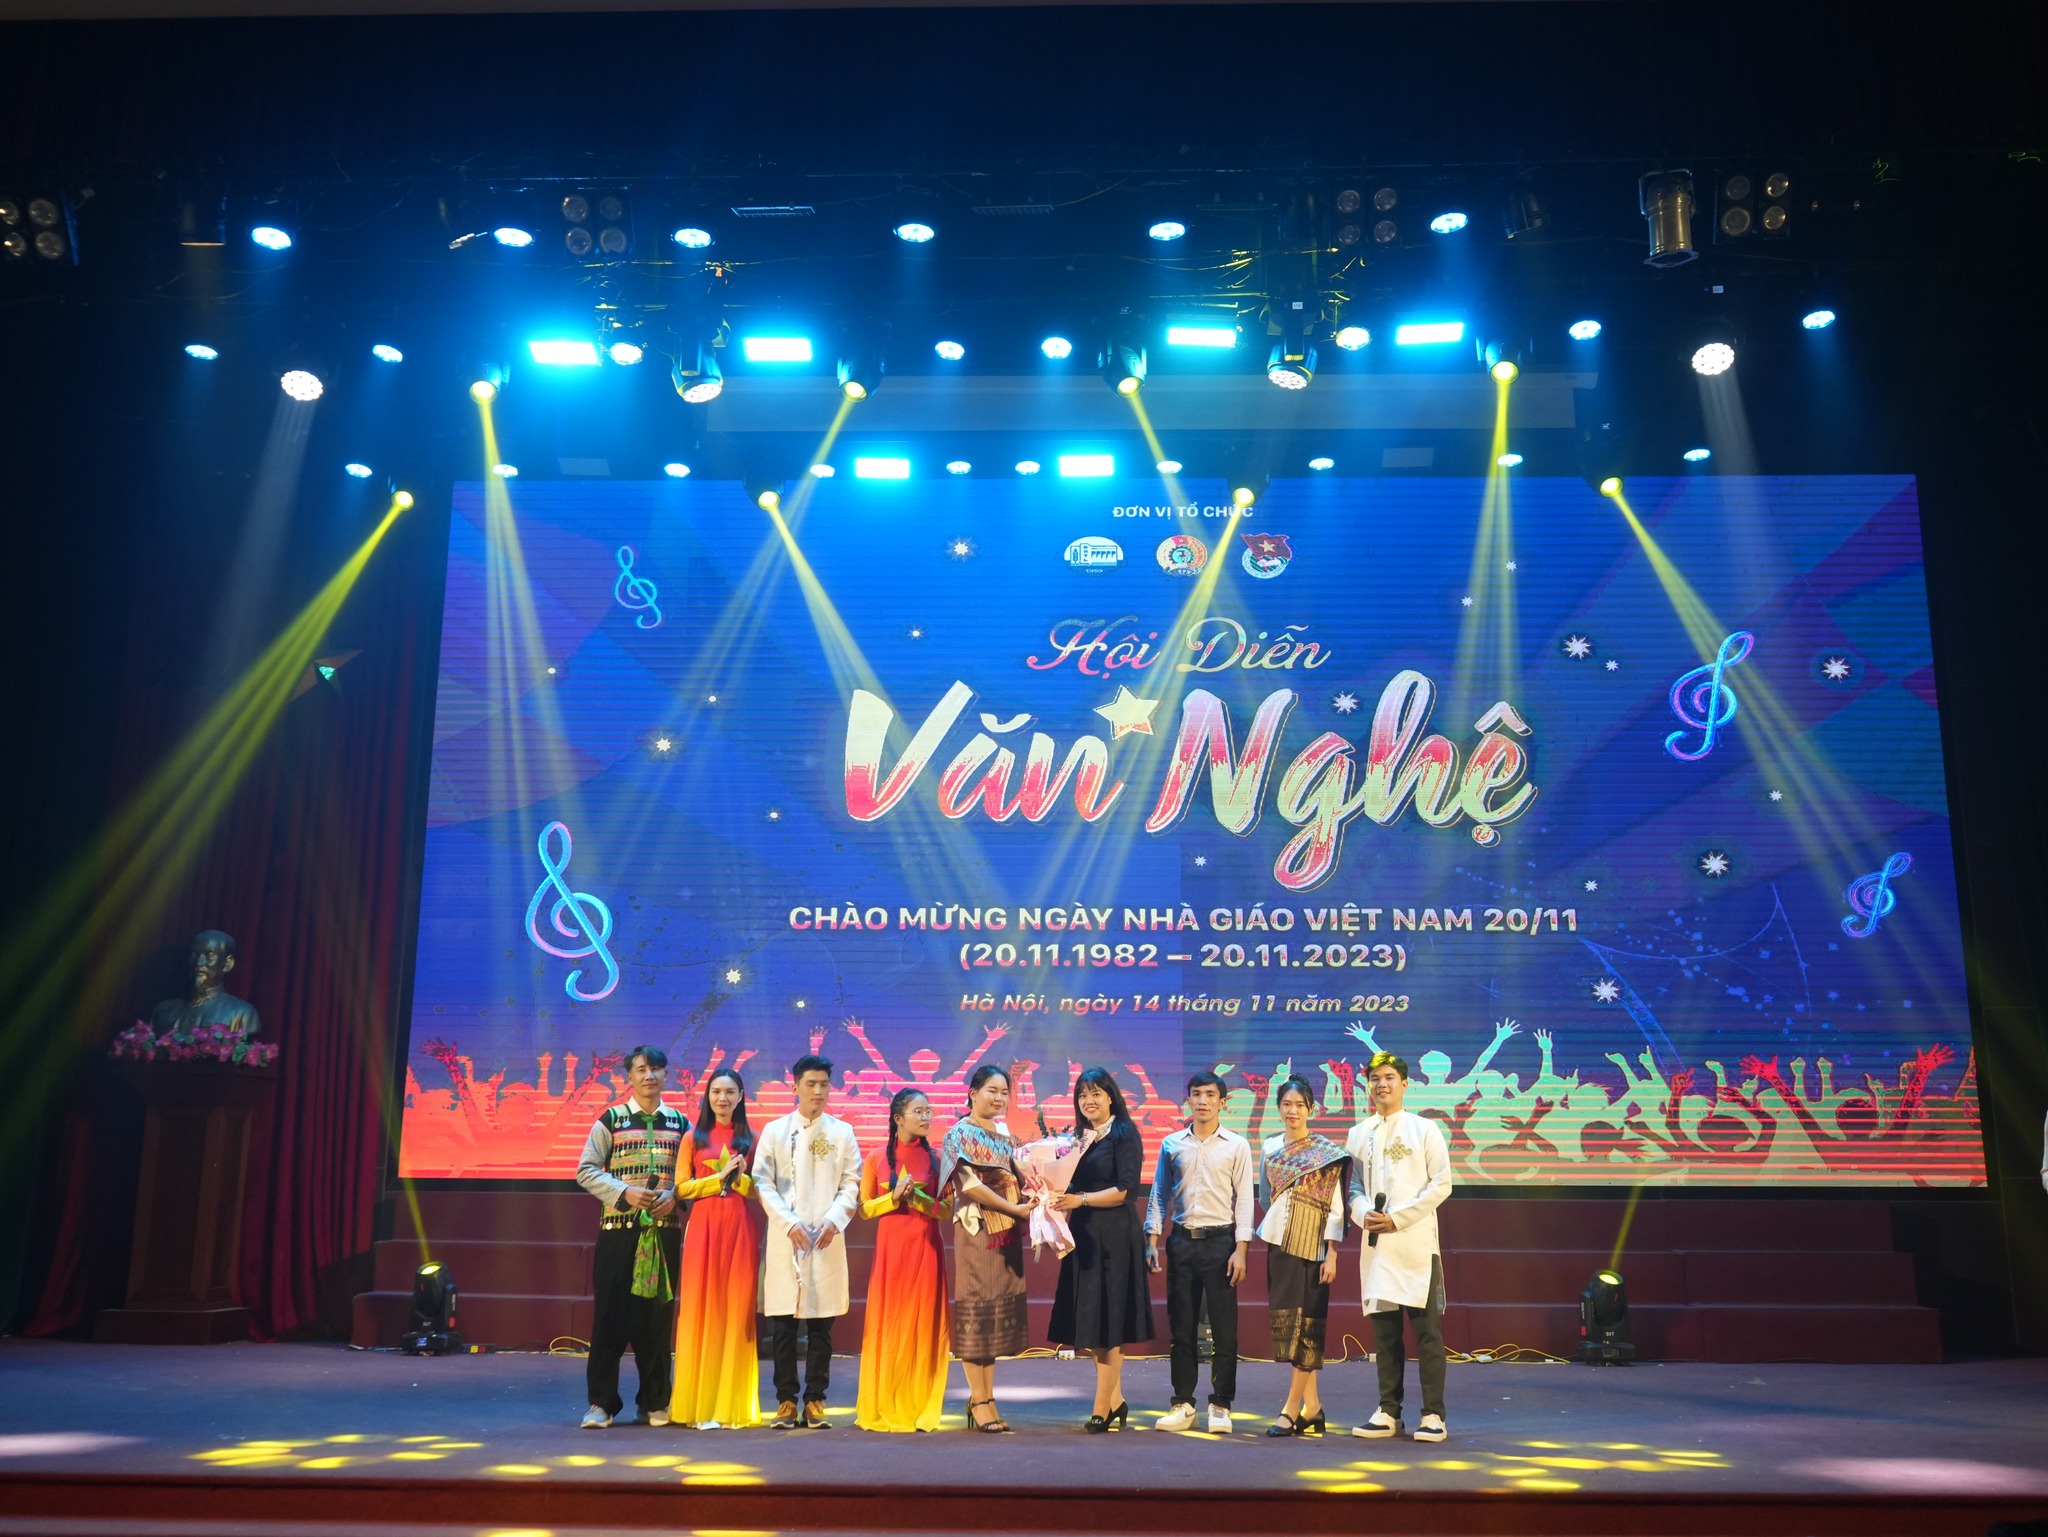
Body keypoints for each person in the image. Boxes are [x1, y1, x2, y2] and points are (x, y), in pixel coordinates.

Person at [574, 1044, 687, 1429]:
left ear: (666, 1074)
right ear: (629, 1076)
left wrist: (675, 1196)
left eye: (656, 1069)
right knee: (610, 1317)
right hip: (619, 1234)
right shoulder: (611, 1120)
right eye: (641, 1069)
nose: (649, 1075)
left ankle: (654, 1401)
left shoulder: (682, 1124)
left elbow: (690, 1176)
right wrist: (625, 1192)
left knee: (657, 1320)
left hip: (664, 1234)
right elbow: (586, 1170)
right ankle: (601, 1404)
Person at [1346, 1050, 1453, 1443]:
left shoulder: (1425, 1129)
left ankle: (1433, 1414)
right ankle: (1388, 1411)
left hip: (1416, 1246)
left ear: (1405, 1084)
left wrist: (1398, 1218)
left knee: (1427, 1335)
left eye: (1389, 1077)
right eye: (1375, 1079)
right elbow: (1354, 1187)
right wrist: (1364, 1214)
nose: (1382, 1085)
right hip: (1377, 1246)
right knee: (1385, 1335)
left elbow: (1442, 1184)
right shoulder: (1359, 1133)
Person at [754, 1054, 862, 1429]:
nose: (818, 1091)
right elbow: (762, 1181)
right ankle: (786, 1401)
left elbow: (851, 1183)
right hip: (786, 1238)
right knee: (783, 1326)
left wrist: (835, 1219)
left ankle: (816, 1399)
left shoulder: (842, 1132)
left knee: (821, 1327)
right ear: (795, 1086)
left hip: (825, 1238)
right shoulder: (775, 1131)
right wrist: (788, 1223)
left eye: (824, 1084)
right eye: (811, 1084)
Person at [1145, 1069, 1255, 1435]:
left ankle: (1221, 1404)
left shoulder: (1237, 1145)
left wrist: (1241, 1249)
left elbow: (1244, 1200)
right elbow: (1159, 1194)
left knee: (1224, 1330)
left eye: (1210, 1095)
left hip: (1221, 1243)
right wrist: (1152, 1240)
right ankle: (1183, 1403)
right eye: (1197, 1094)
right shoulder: (1172, 1144)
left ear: (1223, 1102)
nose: (1203, 1101)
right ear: (1188, 1100)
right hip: (1181, 1242)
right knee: (1182, 1328)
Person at [1047, 1066, 1154, 1431]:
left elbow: (1125, 1190)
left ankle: (1101, 1408)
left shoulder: (1124, 1134)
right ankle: (1116, 1400)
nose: (1088, 1100)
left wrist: (1080, 1199)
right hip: (1084, 1236)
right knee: (1093, 1322)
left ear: (1110, 1096)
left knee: (1110, 1324)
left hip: (1115, 1237)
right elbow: (1067, 1180)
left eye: (1095, 1093)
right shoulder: (1079, 1138)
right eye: (1082, 1095)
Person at [937, 1064, 1039, 1432]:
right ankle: (978, 1400)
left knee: (995, 1314)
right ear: (973, 1093)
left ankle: (988, 1396)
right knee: (977, 1311)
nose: (998, 1098)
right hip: (977, 1231)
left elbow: (1019, 1176)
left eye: (1004, 1092)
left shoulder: (1005, 1135)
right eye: (991, 1091)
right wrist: (1014, 1210)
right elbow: (970, 1186)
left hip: (1006, 1234)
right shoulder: (958, 1134)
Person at [668, 1068, 762, 1429]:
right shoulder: (693, 1138)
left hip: (739, 1229)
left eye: (729, 1092)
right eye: (716, 1092)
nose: (722, 1098)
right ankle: (696, 1403)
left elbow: (759, 1192)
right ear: (707, 1097)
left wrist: (740, 1179)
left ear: (741, 1096)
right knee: (700, 1309)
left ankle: (730, 1405)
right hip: (703, 1229)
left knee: (735, 1309)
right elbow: (681, 1188)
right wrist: (716, 1180)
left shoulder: (753, 1138)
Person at [854, 1087, 952, 1432]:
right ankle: (884, 1401)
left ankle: (920, 1403)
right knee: (890, 1323)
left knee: (923, 1324)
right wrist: (893, 1199)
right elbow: (865, 1209)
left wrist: (918, 1201)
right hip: (891, 1253)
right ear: (898, 1118)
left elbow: (946, 1210)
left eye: (928, 1111)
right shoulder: (875, 1158)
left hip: (925, 1249)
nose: (926, 1117)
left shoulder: (938, 1159)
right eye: (918, 1112)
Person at [1258, 1074, 1348, 1437]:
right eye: (1286, 1104)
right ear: (1278, 1108)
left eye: (1299, 1105)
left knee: (1308, 1328)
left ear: (1312, 1109)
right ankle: (1313, 1408)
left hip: (1314, 1248)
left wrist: (1332, 1254)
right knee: (1289, 1326)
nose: (1292, 1111)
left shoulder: (1326, 1153)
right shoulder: (1269, 1147)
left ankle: (1290, 1409)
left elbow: (1337, 1208)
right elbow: (1264, 1197)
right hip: (1280, 1243)